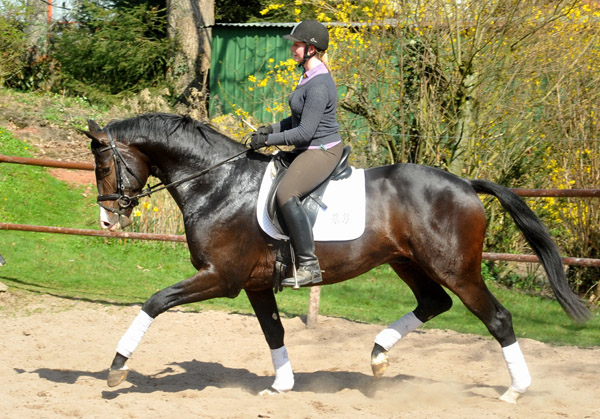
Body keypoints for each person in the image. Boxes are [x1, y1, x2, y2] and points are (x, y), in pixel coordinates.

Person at [250, 19, 344, 288]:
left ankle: (309, 265)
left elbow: (304, 133)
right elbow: (296, 120)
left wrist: (268, 140)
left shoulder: (319, 84)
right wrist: (270, 127)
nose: (292, 49)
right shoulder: (307, 76)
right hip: (310, 145)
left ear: (312, 49)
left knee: (286, 193)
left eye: (297, 45)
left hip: (322, 151)